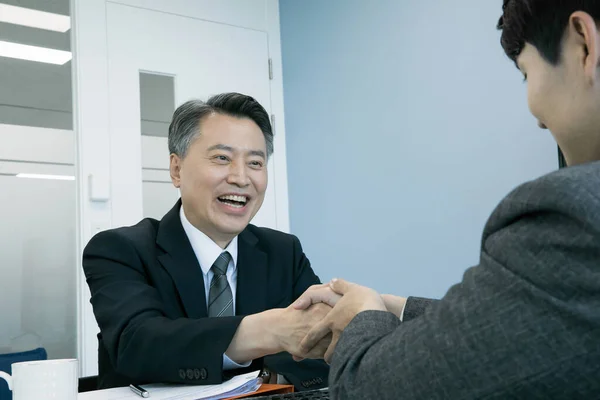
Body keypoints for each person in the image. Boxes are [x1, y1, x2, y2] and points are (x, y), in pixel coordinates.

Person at [293, 1, 600, 398]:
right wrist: (394, 309)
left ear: (583, 45)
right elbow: (519, 321)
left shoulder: (574, 214)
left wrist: (364, 316)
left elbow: (364, 390)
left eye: (527, 73)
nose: (538, 118)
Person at [82, 93, 330, 390]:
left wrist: (262, 378)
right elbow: (137, 344)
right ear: (177, 169)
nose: (240, 178)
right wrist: (268, 331)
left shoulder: (283, 252)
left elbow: (322, 346)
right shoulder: (120, 250)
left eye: (255, 162)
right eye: (222, 158)